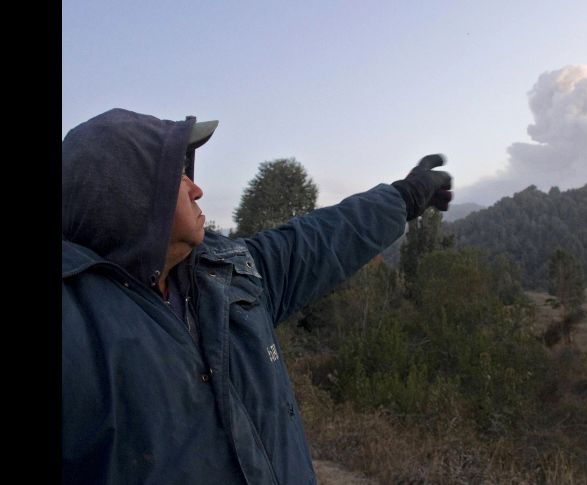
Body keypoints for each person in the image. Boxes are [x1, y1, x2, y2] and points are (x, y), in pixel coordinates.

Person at [62, 108, 452, 484]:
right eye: (177, 176)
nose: (197, 189)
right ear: (134, 198)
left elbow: (320, 240)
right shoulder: (75, 329)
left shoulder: (228, 274)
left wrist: (403, 198)